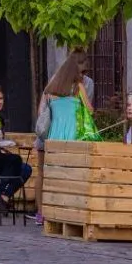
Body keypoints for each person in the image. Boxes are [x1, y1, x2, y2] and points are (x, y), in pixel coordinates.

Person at [33, 50, 92, 224]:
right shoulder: (82, 85)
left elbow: (41, 112)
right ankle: (63, 212)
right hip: (69, 135)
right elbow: (88, 110)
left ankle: (41, 213)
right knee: (68, 174)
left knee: (44, 173)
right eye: (82, 70)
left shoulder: (52, 85)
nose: (84, 74)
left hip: (48, 135)